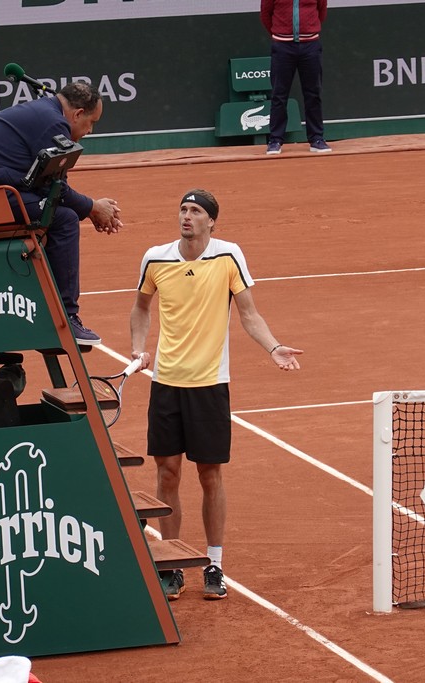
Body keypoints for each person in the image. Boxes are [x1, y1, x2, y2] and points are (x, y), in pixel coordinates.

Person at [129, 189, 303, 601]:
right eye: (183, 210)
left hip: (209, 384)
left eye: (196, 212)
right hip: (167, 383)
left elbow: (248, 312)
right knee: (167, 472)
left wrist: (274, 346)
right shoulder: (156, 258)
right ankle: (171, 563)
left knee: (210, 475)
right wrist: (138, 347)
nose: (186, 217)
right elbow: (140, 308)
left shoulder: (229, 257)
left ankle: (213, 563)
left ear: (211, 222)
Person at [0, 81, 122, 346]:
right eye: (91, 122)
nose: (90, 130)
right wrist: (92, 207)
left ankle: (49, 307)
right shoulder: (54, 124)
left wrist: (90, 207)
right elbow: (56, 190)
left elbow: (51, 188)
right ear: (77, 114)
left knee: (53, 207)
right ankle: (66, 318)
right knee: (65, 219)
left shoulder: (44, 112)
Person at [260, 0, 331, 155]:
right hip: (282, 46)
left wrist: (309, 29)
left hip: (311, 45)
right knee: (279, 94)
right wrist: (279, 34)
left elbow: (321, 11)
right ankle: (275, 141)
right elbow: (266, 13)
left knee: (313, 93)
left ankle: (317, 139)